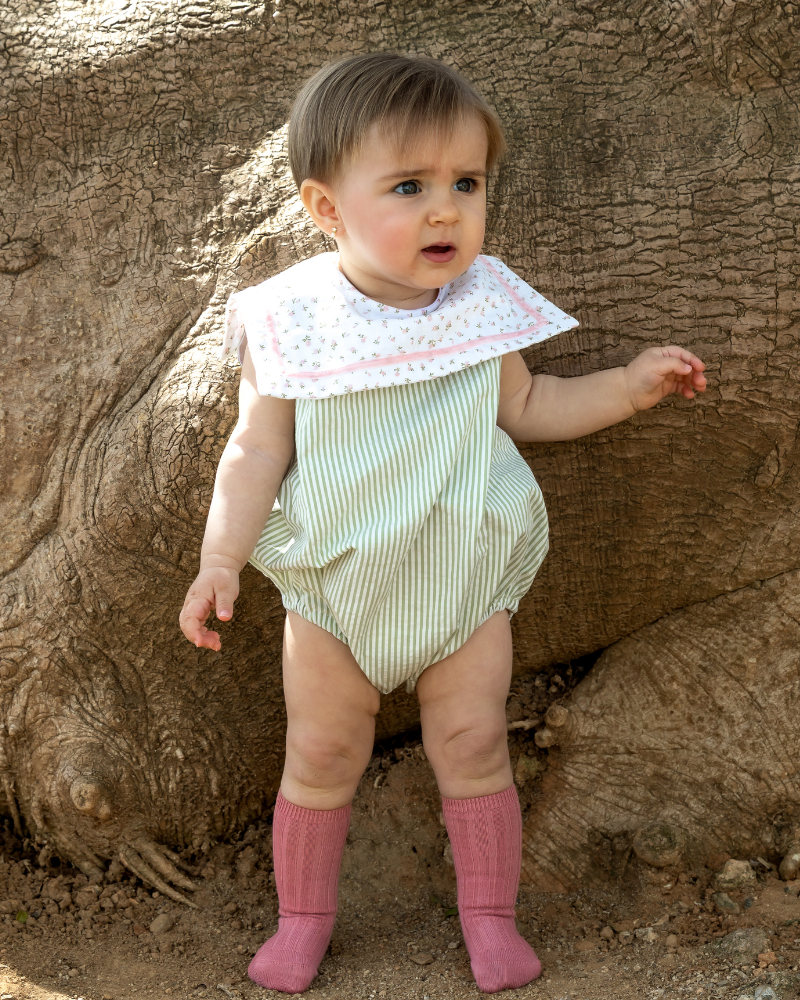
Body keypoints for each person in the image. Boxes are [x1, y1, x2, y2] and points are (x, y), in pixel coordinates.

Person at [179, 53, 706, 995]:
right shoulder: (292, 319)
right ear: (326, 208)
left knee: (471, 746)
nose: (446, 210)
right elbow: (255, 453)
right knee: (323, 752)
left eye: (467, 183)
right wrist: (219, 558)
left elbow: (531, 404)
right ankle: (303, 917)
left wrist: (627, 390)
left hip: (461, 577)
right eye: (410, 186)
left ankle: (490, 920)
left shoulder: (481, 305)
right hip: (338, 586)